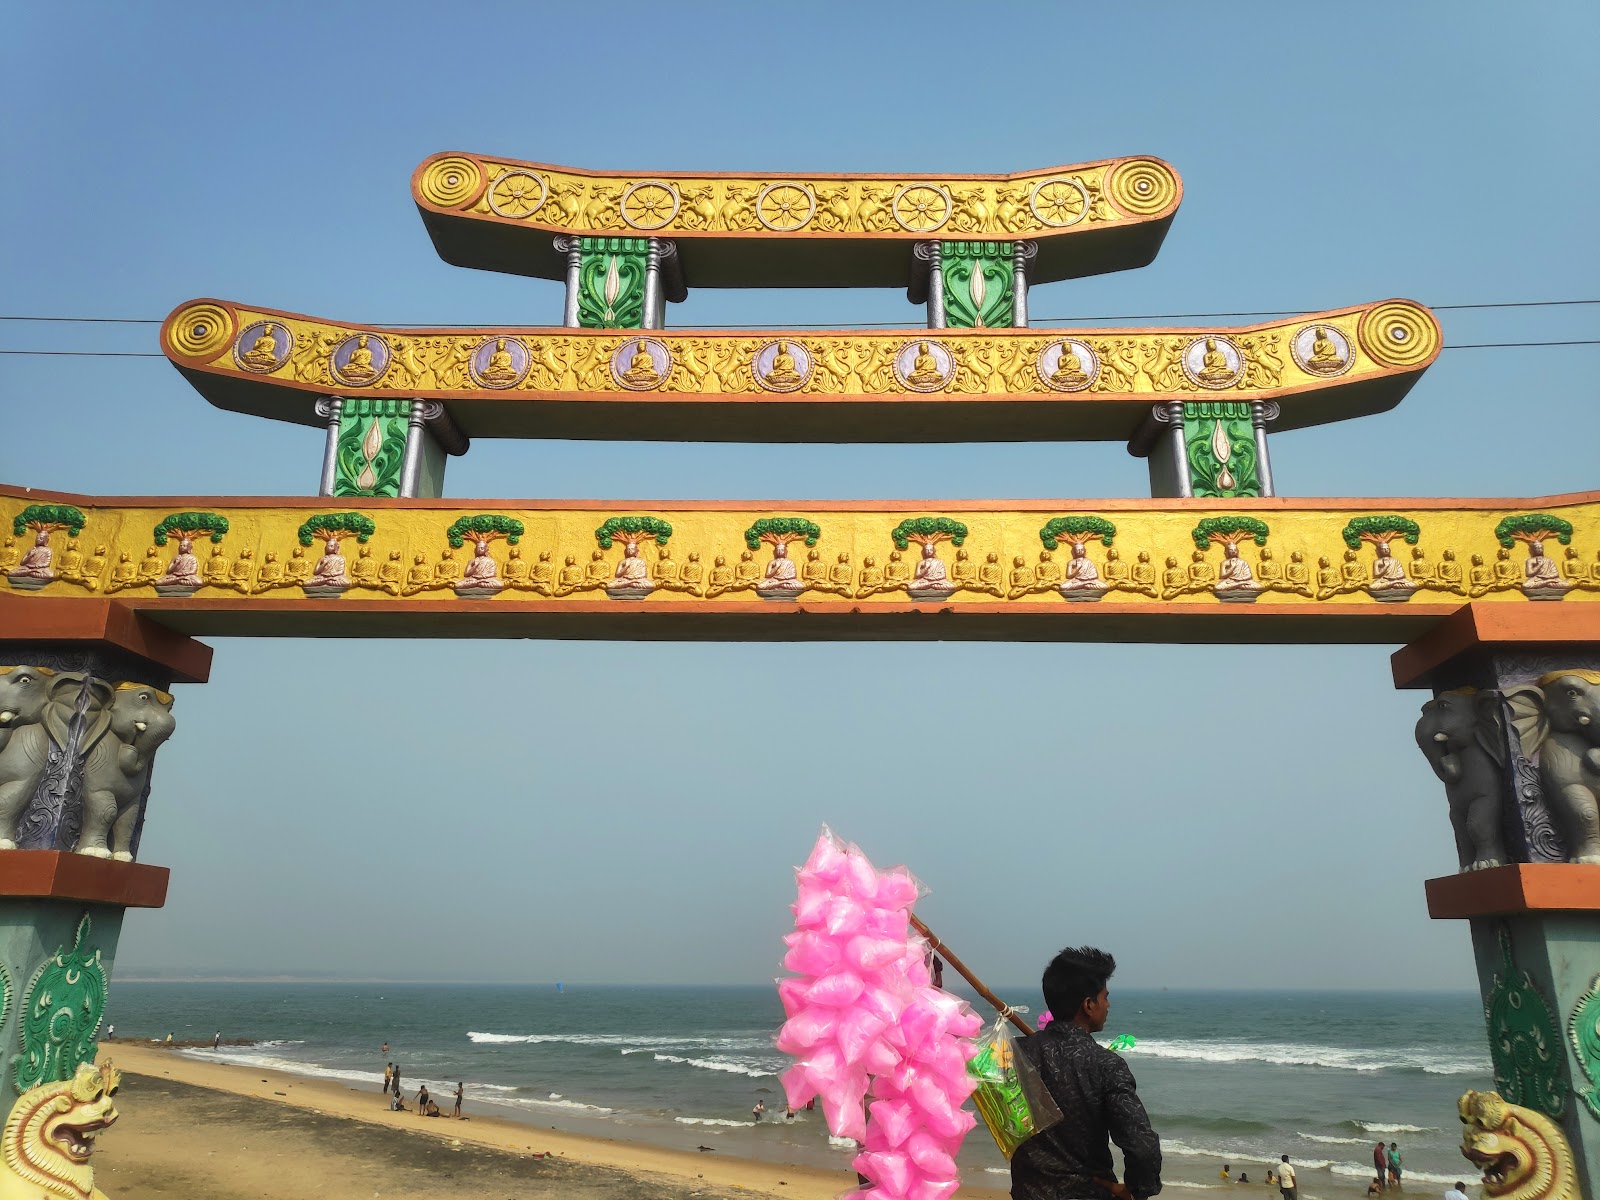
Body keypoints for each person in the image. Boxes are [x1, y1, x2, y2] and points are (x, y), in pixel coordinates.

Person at [1010, 946, 1161, 1200]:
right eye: (1105, 997)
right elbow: (1142, 1146)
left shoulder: (1013, 1054)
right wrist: (1136, 1190)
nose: (1108, 1005)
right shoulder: (1106, 1065)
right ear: (1089, 1005)